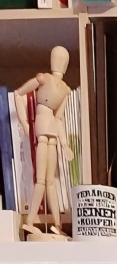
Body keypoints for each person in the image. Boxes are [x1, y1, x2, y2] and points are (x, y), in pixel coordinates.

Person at [14, 45, 73, 238]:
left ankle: (57, 224)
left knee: (50, 182)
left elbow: (59, 119)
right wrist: (25, 124)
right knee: (40, 180)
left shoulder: (65, 90)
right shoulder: (43, 78)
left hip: (53, 136)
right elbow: (18, 94)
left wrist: (65, 144)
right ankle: (30, 221)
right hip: (41, 133)